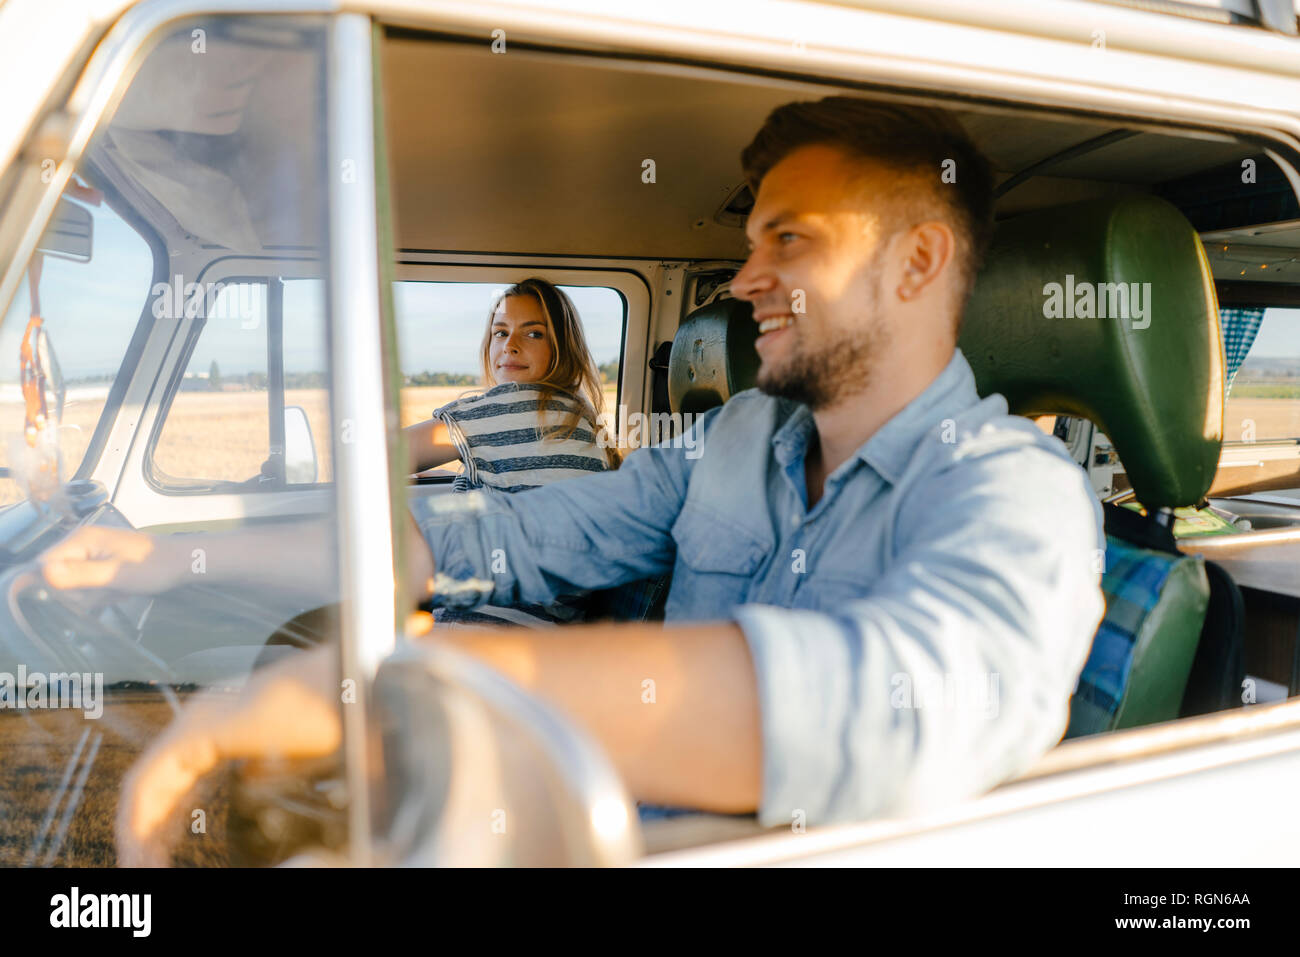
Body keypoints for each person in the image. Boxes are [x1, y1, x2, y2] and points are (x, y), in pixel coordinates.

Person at [42, 96, 1105, 864]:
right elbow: (495, 539)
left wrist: (388, 701)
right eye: (748, 243)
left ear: (915, 263)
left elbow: (895, 704)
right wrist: (168, 556)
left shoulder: (1015, 491)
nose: (744, 280)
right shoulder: (732, 440)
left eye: (792, 240)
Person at [404, 277, 619, 626]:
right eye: (501, 332)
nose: (511, 346)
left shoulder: (503, 408)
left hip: (478, 625)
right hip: (549, 635)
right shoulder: (583, 421)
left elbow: (373, 458)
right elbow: (528, 480)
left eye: (533, 334)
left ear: (563, 346)